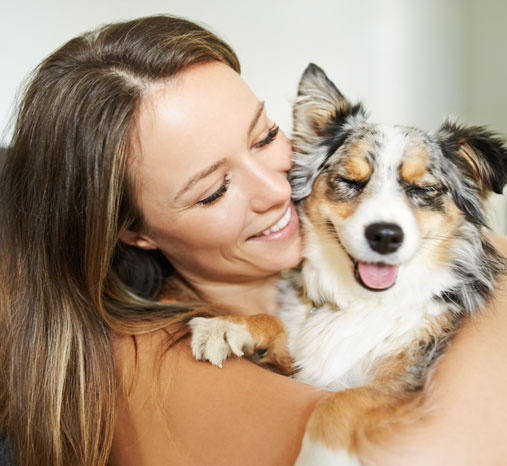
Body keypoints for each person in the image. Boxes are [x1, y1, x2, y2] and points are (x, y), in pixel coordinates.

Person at [0, 14, 506, 466]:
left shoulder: (321, 295)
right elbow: (422, 451)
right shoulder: (161, 364)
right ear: (133, 231)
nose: (279, 187)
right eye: (214, 190)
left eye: (265, 137)